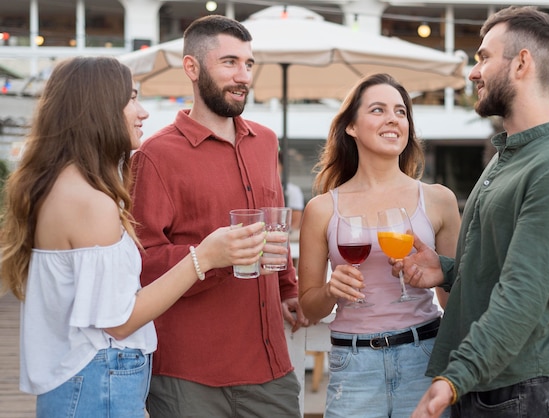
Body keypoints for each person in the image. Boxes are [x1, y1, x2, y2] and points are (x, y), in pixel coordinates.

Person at [0, 56, 266, 417]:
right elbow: (119, 320)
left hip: (82, 378)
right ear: (98, 108)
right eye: (131, 99)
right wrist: (204, 257)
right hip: (97, 378)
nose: (142, 112)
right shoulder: (91, 202)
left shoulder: (59, 186)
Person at [403, 6, 549, 418]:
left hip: (521, 391)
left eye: (483, 56)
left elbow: (524, 294)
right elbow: (502, 268)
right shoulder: (507, 158)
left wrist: (455, 377)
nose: (473, 72)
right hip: (485, 384)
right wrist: (445, 270)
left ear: (522, 63)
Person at [129, 15, 308, 417]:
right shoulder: (155, 155)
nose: (242, 75)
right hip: (190, 376)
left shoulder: (266, 142)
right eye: (229, 62)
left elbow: (273, 226)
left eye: (248, 64)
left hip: (271, 370)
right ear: (191, 68)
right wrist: (213, 257)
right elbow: (140, 264)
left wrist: (287, 289)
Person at [298, 73, 461, 418]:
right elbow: (309, 308)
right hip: (354, 367)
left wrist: (438, 275)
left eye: (401, 112)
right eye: (377, 110)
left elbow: (454, 298)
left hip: (424, 356)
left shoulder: (438, 200)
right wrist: (330, 290)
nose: (392, 119)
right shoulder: (322, 209)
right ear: (351, 127)